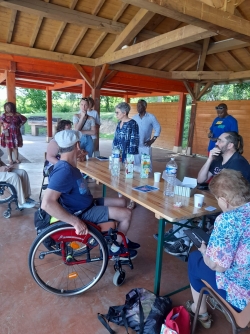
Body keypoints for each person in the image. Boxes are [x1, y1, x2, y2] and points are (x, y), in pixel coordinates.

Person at [41, 129, 140, 259]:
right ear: (77, 145)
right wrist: (75, 222)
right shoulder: (64, 171)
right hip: (83, 211)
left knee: (122, 202)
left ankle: (120, 237)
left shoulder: (66, 164)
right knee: (127, 214)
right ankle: (115, 249)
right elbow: (47, 203)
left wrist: (79, 155)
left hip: (86, 203)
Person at [163, 131, 250, 256]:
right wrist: (209, 159)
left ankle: (185, 242)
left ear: (230, 145)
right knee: (181, 200)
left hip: (229, 204)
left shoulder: (239, 164)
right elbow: (200, 179)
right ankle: (179, 233)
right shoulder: (218, 158)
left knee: (193, 209)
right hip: (214, 197)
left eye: (220, 141)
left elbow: (237, 196)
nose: (216, 143)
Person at [186, 169, 250, 329]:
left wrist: (205, 252)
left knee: (195, 260)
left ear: (224, 200)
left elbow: (218, 266)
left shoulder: (228, 220)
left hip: (243, 297)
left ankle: (200, 311)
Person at [113, 102, 139, 210]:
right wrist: (114, 153)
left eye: (117, 112)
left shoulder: (133, 123)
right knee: (118, 175)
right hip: (117, 154)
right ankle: (120, 198)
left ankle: (132, 200)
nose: (116, 114)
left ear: (124, 113)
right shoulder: (119, 123)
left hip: (128, 154)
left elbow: (134, 140)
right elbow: (115, 139)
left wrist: (130, 157)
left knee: (129, 177)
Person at [132, 99, 161, 172]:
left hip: (145, 146)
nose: (138, 108)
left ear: (145, 106)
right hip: (135, 146)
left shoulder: (151, 117)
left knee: (146, 168)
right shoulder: (134, 118)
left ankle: (147, 182)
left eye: (140, 106)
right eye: (137, 106)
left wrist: (152, 140)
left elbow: (158, 128)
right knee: (135, 167)